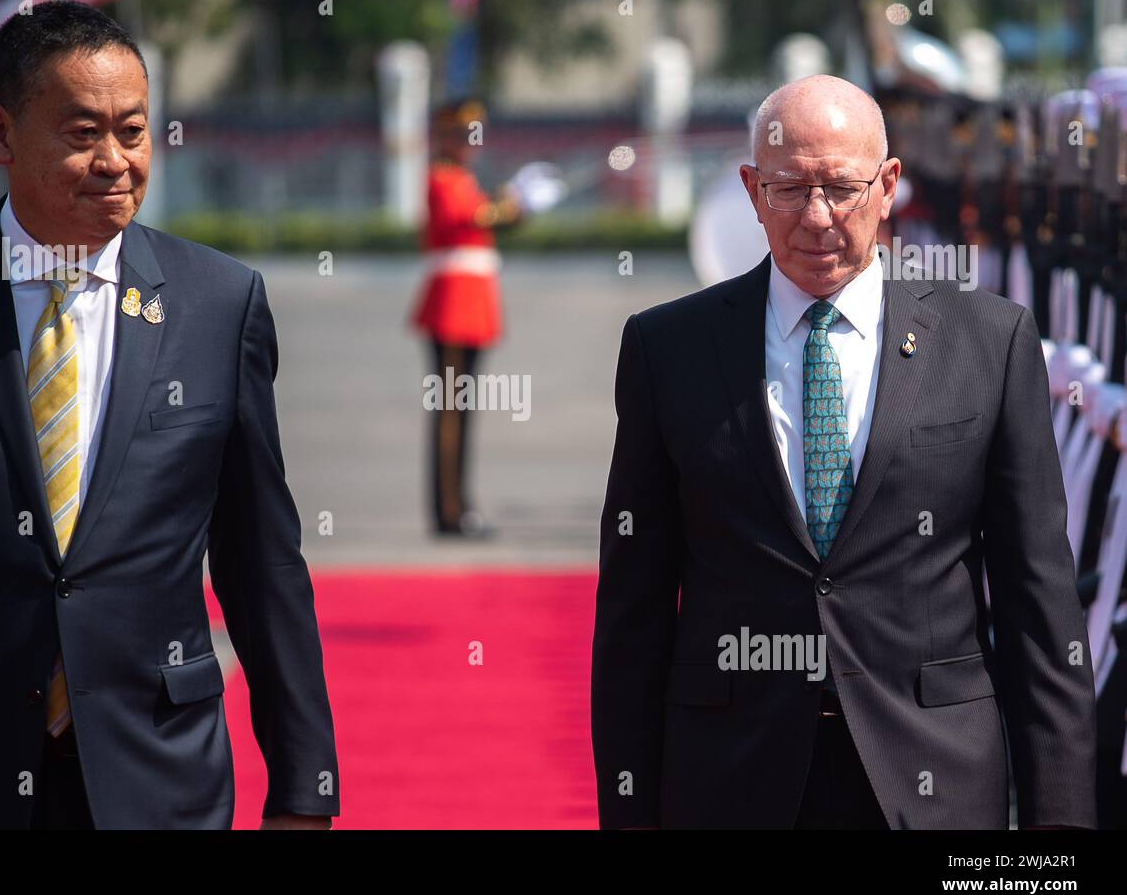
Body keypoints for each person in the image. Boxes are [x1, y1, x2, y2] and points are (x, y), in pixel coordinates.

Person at [0, 1, 338, 829]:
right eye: (81, 133)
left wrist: (304, 786)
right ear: (1, 134)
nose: (115, 161)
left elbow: (262, 563)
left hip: (158, 775)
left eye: (132, 131)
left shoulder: (219, 304)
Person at [591, 74, 1096, 829]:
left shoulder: (989, 343)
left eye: (842, 187)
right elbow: (633, 616)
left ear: (888, 185)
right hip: (731, 776)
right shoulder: (670, 349)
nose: (817, 217)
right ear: (752, 190)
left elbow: (1038, 608)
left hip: (933, 777)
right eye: (790, 189)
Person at [409, 99, 520, 537]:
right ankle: (450, 510)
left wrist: (515, 206)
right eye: (464, 133)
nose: (472, 142)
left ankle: (456, 505)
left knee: (461, 408)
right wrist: (511, 205)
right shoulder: (442, 177)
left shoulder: (462, 178)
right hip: (453, 306)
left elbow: (483, 217)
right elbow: (467, 216)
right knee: (451, 409)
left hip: (469, 306)